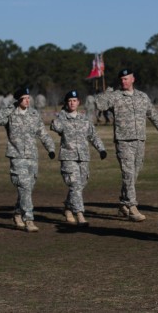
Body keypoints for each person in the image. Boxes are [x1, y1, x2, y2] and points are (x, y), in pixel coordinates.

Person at [95, 69, 158, 222]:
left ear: (133, 79)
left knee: (134, 173)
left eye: (126, 79)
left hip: (140, 140)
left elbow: (152, 113)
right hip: (123, 141)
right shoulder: (115, 96)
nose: (124, 82)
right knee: (128, 173)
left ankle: (123, 203)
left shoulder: (142, 96)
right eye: (121, 79)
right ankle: (132, 207)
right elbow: (100, 105)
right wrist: (107, 92)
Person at [0, 87, 56, 232]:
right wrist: (11, 107)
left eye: (29, 97)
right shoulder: (11, 113)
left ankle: (17, 213)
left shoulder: (34, 114)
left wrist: (51, 148)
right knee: (25, 187)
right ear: (18, 99)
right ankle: (29, 219)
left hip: (32, 156)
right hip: (17, 156)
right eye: (24, 98)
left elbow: (42, 133)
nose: (28, 100)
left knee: (27, 189)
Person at [50, 90, 107, 227]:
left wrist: (101, 149)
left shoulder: (84, 119)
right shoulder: (62, 119)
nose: (72, 103)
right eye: (69, 101)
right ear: (66, 103)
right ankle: (80, 214)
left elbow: (93, 135)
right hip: (68, 157)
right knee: (75, 185)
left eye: (74, 100)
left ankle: (68, 209)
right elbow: (55, 126)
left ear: (78, 102)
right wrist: (62, 113)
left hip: (83, 157)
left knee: (80, 185)